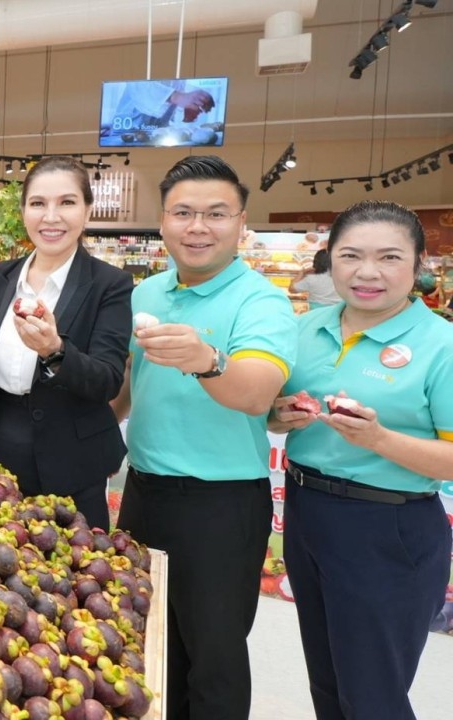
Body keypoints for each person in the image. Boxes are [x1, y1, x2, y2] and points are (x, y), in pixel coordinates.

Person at [111, 155, 298, 720]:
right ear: (162, 222)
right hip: (142, 495)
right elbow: (125, 391)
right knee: (147, 644)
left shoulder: (260, 299)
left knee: (213, 658)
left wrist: (207, 360)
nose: (198, 227)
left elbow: (258, 394)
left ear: (241, 223)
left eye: (216, 214)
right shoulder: (145, 295)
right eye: (183, 212)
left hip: (221, 503)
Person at [268, 201, 453, 720]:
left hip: (389, 527)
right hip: (308, 512)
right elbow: (273, 419)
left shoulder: (441, 344)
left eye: (389, 257)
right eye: (350, 256)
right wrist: (283, 415)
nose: (367, 272)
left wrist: (378, 439)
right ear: (331, 260)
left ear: (417, 266)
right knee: (327, 681)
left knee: (373, 695)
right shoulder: (306, 328)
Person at [0, 157, 132, 529]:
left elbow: (107, 379)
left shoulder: (110, 284)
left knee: (76, 572)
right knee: (0, 563)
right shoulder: (1, 276)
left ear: (87, 210)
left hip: (73, 458)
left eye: (67, 203)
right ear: (24, 211)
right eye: (38, 203)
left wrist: (55, 351)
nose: (51, 217)